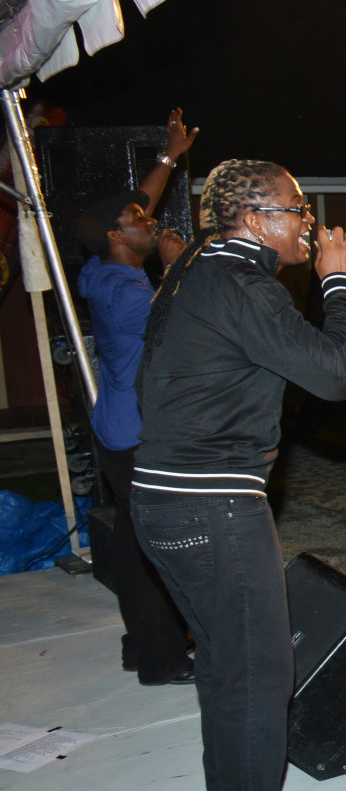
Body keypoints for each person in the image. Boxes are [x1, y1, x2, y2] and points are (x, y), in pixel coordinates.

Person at [131, 160, 346, 791]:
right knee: (260, 674)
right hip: (212, 505)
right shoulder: (241, 282)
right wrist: (339, 282)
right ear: (257, 218)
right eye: (297, 209)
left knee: (228, 670)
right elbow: (335, 371)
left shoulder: (198, 271)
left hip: (166, 498)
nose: (308, 223)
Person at [74, 107, 196, 686]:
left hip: (114, 427)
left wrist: (169, 156)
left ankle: (137, 644)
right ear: (117, 237)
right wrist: (176, 269)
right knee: (155, 548)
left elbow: (137, 201)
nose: (151, 219)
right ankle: (161, 659)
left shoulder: (98, 270)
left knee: (129, 543)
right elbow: (176, 326)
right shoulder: (126, 295)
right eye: (139, 219)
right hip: (135, 436)